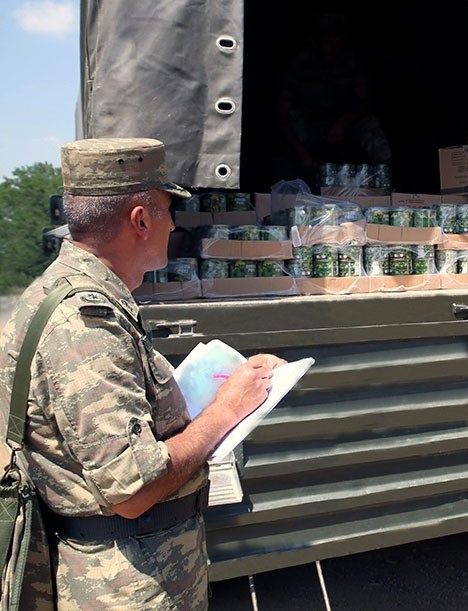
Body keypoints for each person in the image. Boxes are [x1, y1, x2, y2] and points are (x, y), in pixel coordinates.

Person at [0, 138, 286, 609]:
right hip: (127, 587)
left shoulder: (72, 294)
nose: (174, 224)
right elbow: (131, 489)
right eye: (169, 209)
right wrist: (227, 409)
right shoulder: (85, 325)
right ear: (140, 219)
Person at [276, 11, 393, 185]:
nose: (333, 47)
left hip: (340, 124)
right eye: (328, 41)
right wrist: (303, 155)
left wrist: (342, 123)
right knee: (287, 148)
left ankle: (387, 182)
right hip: (308, 124)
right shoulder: (300, 66)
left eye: (337, 41)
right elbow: (282, 116)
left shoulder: (348, 61)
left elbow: (365, 102)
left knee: (371, 125)